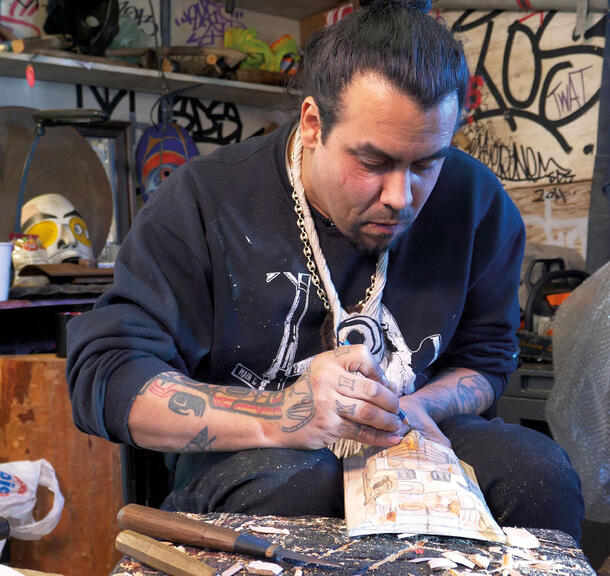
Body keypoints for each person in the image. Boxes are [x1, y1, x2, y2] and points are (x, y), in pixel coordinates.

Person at [66, 0, 584, 540]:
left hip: (412, 434)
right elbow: (106, 376)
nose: (400, 197)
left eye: (427, 162)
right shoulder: (204, 201)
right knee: (302, 487)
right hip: (257, 456)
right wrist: (284, 414)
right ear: (313, 123)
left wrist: (407, 409)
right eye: (373, 161)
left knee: (540, 476)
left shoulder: (478, 204)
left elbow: (486, 359)